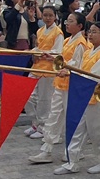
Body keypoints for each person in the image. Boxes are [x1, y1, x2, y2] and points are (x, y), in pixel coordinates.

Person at [55, 22, 100, 175]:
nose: (90, 34)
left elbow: (93, 77)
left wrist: (72, 74)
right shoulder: (89, 51)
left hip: (95, 97)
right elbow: (81, 69)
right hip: (83, 95)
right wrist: (68, 72)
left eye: (95, 32)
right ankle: (72, 162)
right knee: (77, 129)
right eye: (90, 31)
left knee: (97, 132)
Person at [31, 12, 87, 163]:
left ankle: (73, 150)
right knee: (54, 116)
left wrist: (67, 69)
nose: (67, 24)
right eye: (67, 21)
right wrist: (53, 57)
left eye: (71, 21)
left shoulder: (81, 43)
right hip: (60, 83)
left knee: (70, 118)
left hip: (71, 85)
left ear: (80, 26)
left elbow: (78, 64)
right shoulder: (68, 40)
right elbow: (63, 58)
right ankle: (46, 149)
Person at [23, 5, 62, 139]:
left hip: (48, 70)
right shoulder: (40, 30)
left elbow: (58, 52)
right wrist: (35, 52)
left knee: (44, 100)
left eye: (51, 15)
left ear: (55, 16)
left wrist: (40, 52)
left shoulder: (58, 32)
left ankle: (43, 126)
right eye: (45, 15)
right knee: (27, 96)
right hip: (36, 67)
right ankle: (35, 122)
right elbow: (38, 46)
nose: (48, 18)